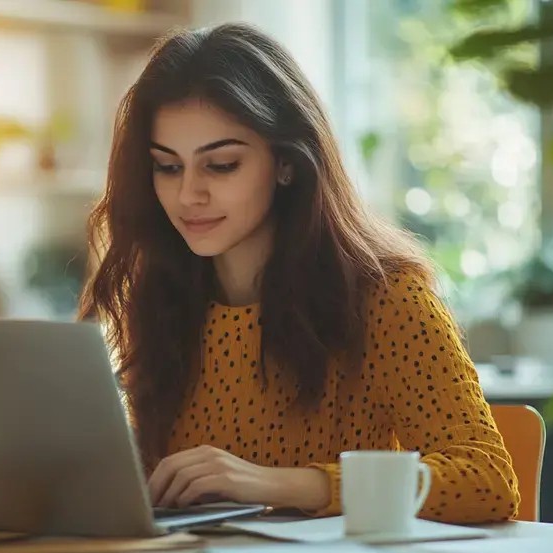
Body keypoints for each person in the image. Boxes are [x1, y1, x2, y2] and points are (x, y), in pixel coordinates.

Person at [78, 22, 519, 524]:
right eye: (168, 167)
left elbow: (486, 480)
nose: (188, 195)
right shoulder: (161, 297)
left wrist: (276, 483)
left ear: (286, 163)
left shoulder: (386, 297)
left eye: (221, 165)